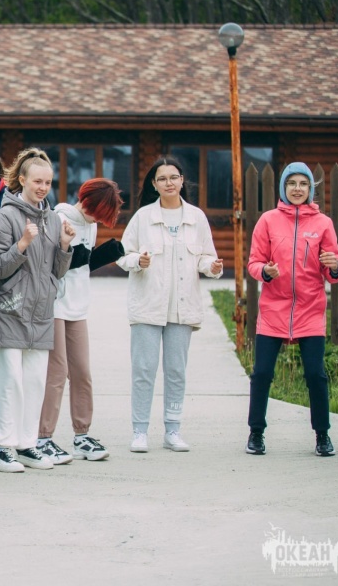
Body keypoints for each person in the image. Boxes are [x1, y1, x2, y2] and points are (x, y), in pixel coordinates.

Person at [117, 156, 223, 454]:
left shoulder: (196, 217)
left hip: (182, 308)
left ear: (182, 180)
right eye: (162, 179)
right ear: (154, 184)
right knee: (144, 370)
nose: (169, 183)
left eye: (173, 177)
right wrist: (138, 261)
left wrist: (212, 266)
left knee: (176, 371)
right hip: (147, 306)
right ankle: (139, 432)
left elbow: (205, 257)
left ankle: (173, 430)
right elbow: (123, 255)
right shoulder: (142, 218)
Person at [0, 148, 74, 472]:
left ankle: (26, 445)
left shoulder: (53, 219)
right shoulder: (5, 217)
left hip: (41, 313)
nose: (42, 188)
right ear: (21, 180)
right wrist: (21, 243)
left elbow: (57, 272)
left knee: (35, 382)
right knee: (10, 383)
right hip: (9, 311)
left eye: (47, 183)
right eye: (37, 181)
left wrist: (64, 245)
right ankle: (2, 448)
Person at [246, 162, 338, 457]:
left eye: (303, 183)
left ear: (310, 189)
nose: (297, 188)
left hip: (310, 310)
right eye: (292, 183)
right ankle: (255, 433)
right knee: (262, 373)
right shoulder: (268, 221)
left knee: (316, 374)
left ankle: (322, 435)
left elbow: (334, 270)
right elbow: (254, 263)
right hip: (273, 310)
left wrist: (334, 266)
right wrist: (265, 272)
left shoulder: (323, 223)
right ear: (283, 188)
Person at [38, 178, 125, 464]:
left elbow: (83, 265)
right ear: (84, 201)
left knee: (82, 372)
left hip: (78, 306)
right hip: (54, 305)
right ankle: (42, 437)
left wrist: (104, 255)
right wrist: (74, 255)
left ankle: (82, 435)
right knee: (57, 373)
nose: (96, 219)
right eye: (95, 213)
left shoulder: (92, 224)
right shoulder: (59, 218)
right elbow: (50, 265)